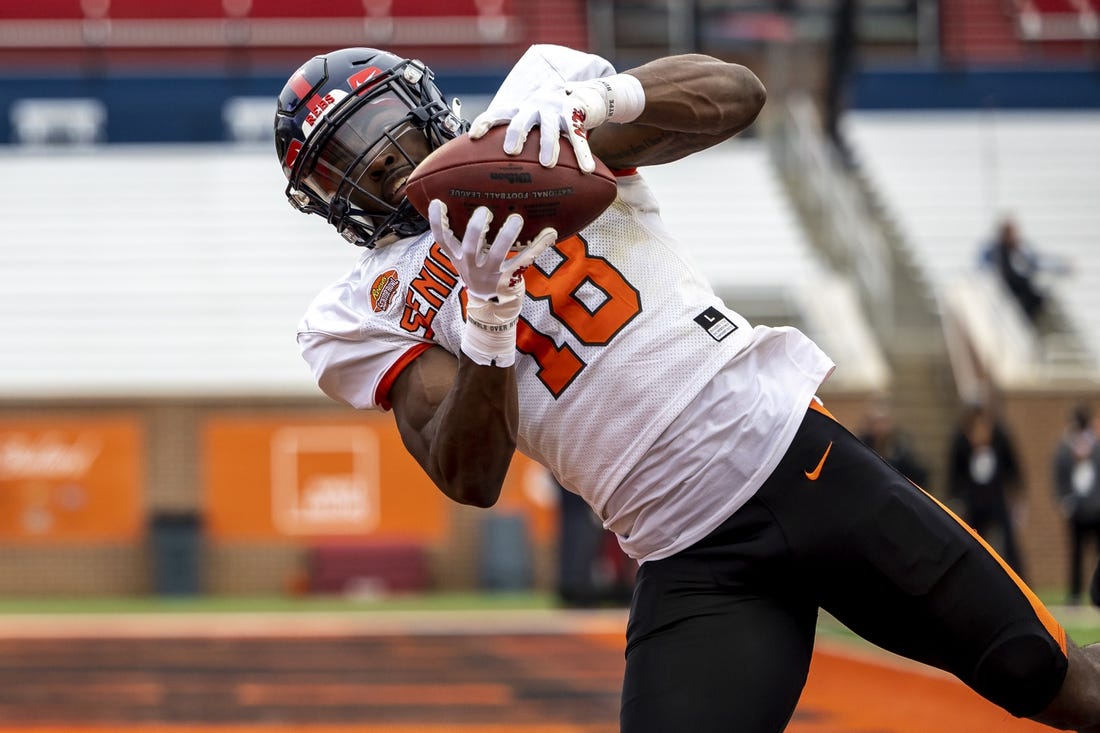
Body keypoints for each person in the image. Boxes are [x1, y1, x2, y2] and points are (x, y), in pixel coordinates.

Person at [275, 44, 1100, 732]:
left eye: (381, 135)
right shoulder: (362, 308)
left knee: (1050, 680)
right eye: (342, 167)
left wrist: (593, 101)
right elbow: (469, 474)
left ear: (424, 104)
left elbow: (738, 94)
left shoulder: (530, 115)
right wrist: (487, 316)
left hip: (798, 464)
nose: (378, 167)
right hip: (689, 552)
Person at [946, 400, 1028, 577]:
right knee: (972, 542)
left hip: (996, 498)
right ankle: (971, 579)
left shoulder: (1000, 438)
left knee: (1008, 542)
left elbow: (1013, 469)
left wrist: (1017, 496)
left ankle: (1019, 581)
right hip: (973, 501)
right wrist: (957, 498)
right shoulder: (961, 442)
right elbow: (954, 474)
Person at [980, 215, 1069, 325]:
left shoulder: (1019, 250)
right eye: (1011, 234)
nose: (1015, 237)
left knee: (1038, 299)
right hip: (1005, 293)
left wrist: (1060, 266)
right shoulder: (995, 252)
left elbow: (1037, 262)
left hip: (1020, 291)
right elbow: (985, 271)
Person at [1054, 403, 1100, 606]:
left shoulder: (1096, 446)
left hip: (1096, 509)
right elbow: (1059, 475)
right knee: (1076, 553)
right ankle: (1075, 594)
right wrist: (1065, 500)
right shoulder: (1065, 447)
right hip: (1077, 509)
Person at [858, 396, 930, 488]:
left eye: (883, 421)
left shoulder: (901, 445)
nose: (880, 427)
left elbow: (914, 472)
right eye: (876, 422)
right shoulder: (862, 444)